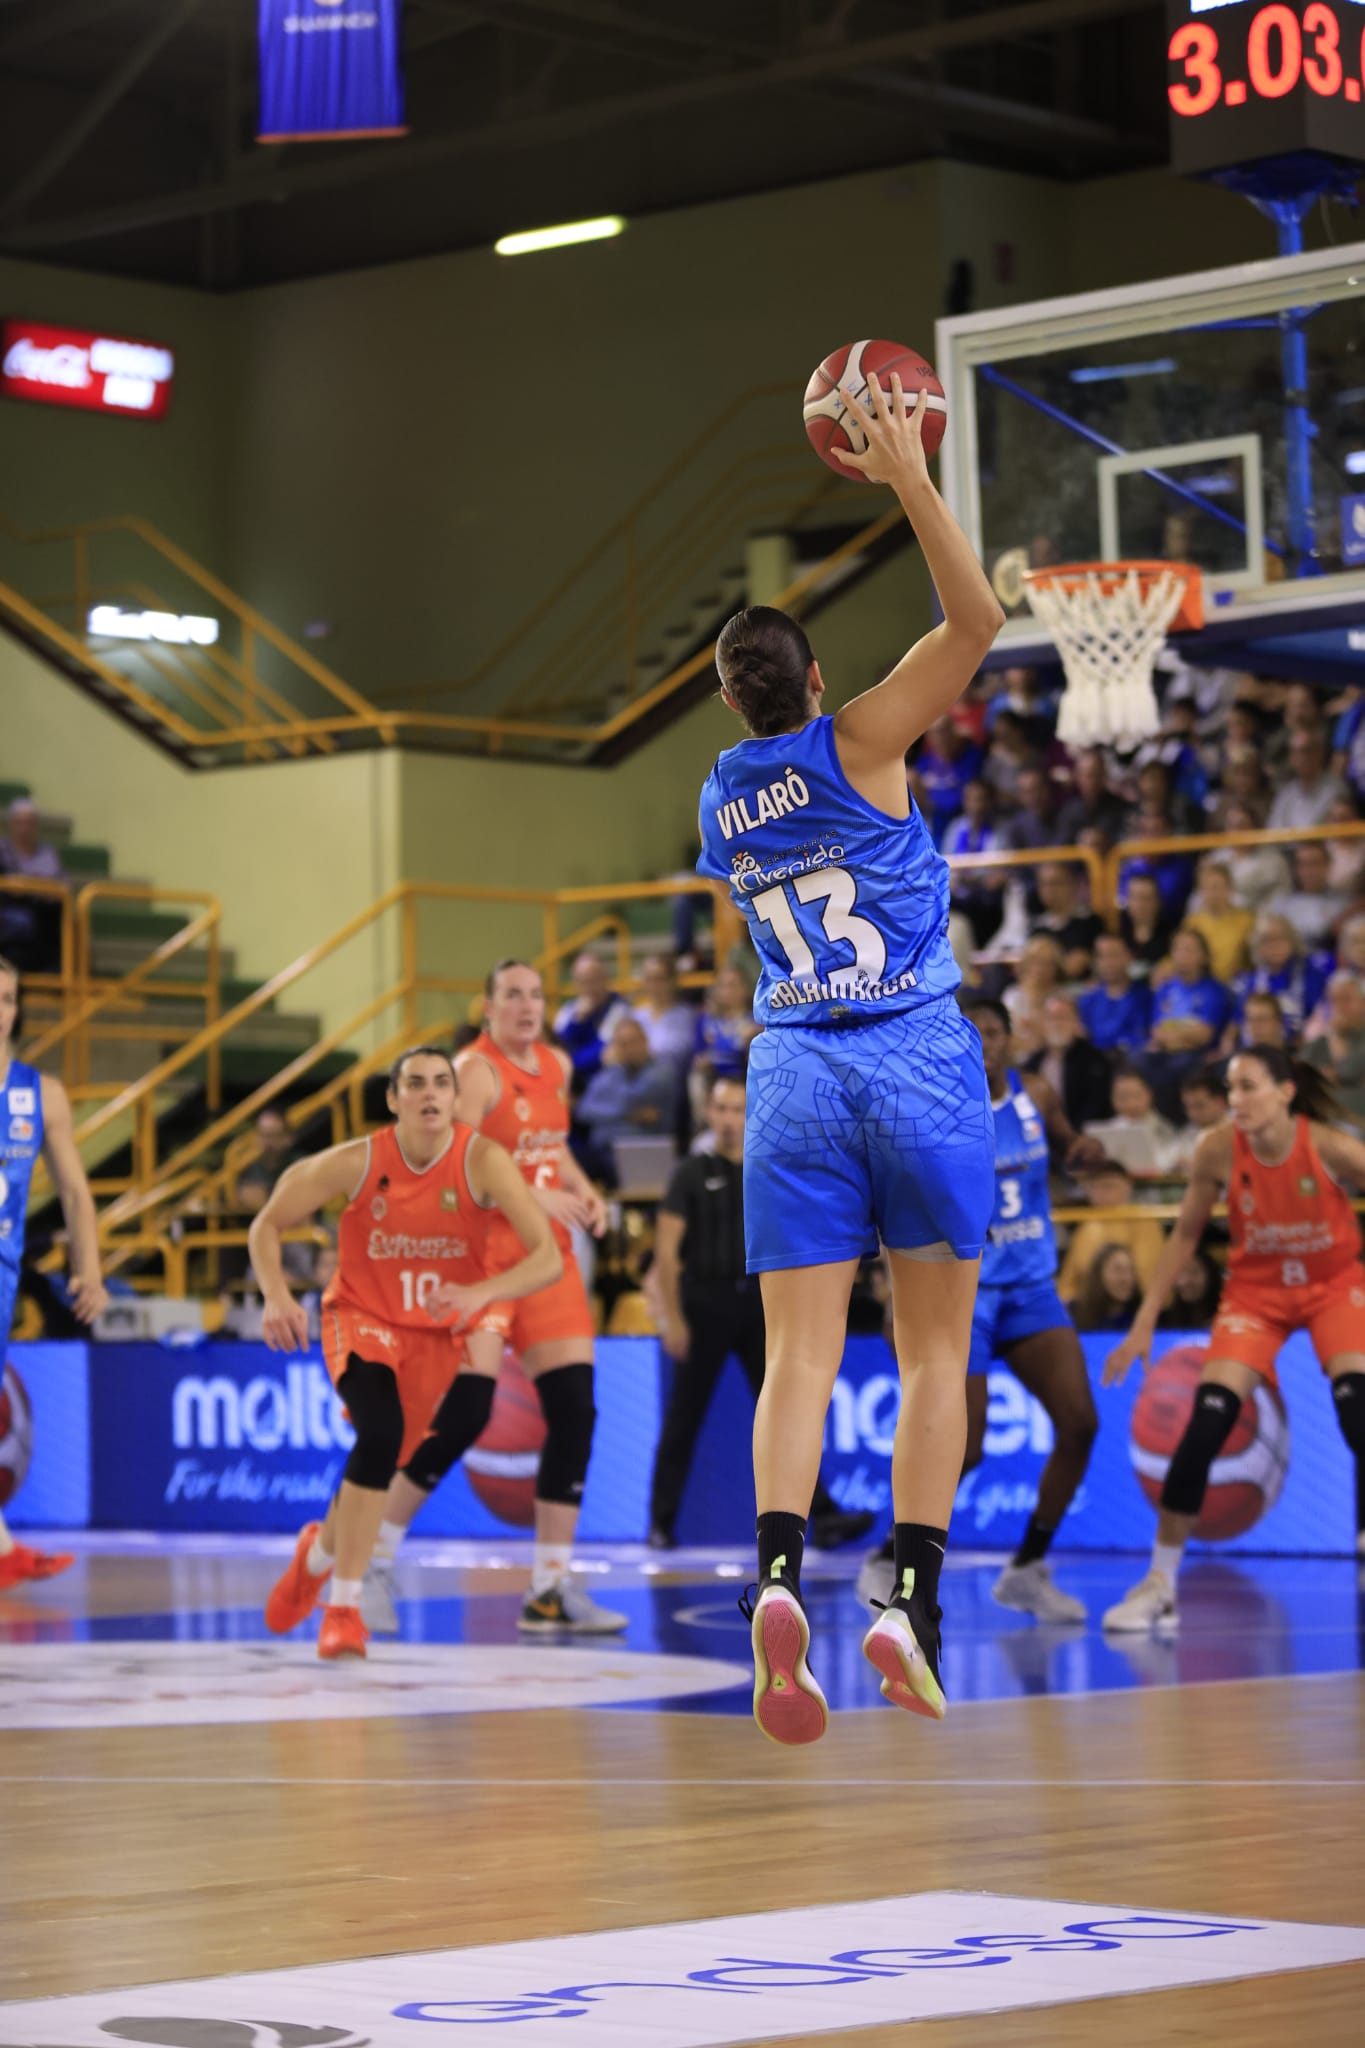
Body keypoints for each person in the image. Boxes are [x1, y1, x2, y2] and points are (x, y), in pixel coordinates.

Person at [697, 374, 1002, 1742]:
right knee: (935, 1351)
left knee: (798, 1361)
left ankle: (774, 1573)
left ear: (728, 696)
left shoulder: (715, 794)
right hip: (915, 1052)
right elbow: (977, 620)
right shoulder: (865, 736)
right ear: (819, 683)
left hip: (793, 1070)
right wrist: (904, 479)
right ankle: (908, 1598)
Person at [256, 1045, 562, 1658]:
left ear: (454, 1097)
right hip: (361, 1317)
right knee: (379, 1431)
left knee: (384, 1454)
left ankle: (316, 1553)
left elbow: (547, 1258)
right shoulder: (358, 1160)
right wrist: (275, 1297)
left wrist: (481, 1293)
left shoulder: (483, 1159)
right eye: (415, 1084)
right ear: (393, 1099)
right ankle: (342, 1607)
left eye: (441, 1084)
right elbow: (266, 1222)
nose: (429, 1095)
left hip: (434, 1336)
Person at [361, 961, 626, 1636]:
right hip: (483, 1257)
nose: (527, 1006)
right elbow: (448, 1151)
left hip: (547, 1261)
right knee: (464, 1414)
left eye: (536, 995)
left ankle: (549, 1588)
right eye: (513, 995)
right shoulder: (472, 1071)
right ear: (487, 1006)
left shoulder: (556, 1066)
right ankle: (373, 1561)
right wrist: (530, 1195)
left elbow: (549, 1147)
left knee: (574, 1409)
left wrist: (580, 1184)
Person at [1102, 1047, 1365, 1628]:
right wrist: (1145, 1320)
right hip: (1256, 1296)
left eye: (1248, 1087)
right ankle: (1160, 1582)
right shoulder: (1218, 1148)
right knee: (1205, 1425)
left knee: (1357, 1407)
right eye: (1230, 1088)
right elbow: (1185, 1236)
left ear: (1286, 1091)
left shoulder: (1328, 1146)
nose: (1235, 1100)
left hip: (1332, 1286)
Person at [925, 999, 1102, 1621]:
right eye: (970, 1033)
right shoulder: (935, 1106)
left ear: (1010, 1038)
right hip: (961, 1293)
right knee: (964, 1447)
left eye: (993, 1032)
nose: (984, 1043)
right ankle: (896, 1557)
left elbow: (1069, 1143)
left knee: (1080, 1423)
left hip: (1030, 1287)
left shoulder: (1039, 1097)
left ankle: (1027, 1567)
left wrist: (1085, 1150)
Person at [647, 1074, 872, 1552]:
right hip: (704, 1305)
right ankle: (660, 1522)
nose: (729, 1119)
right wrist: (673, 1318)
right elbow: (667, 1254)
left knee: (788, 1408)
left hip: (758, 1305)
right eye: (722, 1109)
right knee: (684, 1417)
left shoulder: (766, 1167)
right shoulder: (690, 1172)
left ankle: (824, 1516)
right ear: (709, 1113)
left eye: (737, 1109)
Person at [0, 953, 109, 1590]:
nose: (2, 1009)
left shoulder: (40, 1094)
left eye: (10, 998)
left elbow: (74, 1193)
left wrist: (88, 1271)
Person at [574, 1014, 677, 1184]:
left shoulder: (662, 1072)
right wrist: (627, 1116)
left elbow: (630, 1100)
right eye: (621, 1044)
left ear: (645, 1041)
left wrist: (606, 1116)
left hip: (645, 1150)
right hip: (603, 1150)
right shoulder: (611, 1073)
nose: (627, 1049)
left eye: (632, 1042)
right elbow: (584, 1110)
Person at [1056, 1158, 1167, 1302]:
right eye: (1095, 1187)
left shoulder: (1143, 1220)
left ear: (1127, 1187)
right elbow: (1069, 1281)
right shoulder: (1086, 1225)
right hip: (1089, 1306)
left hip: (1133, 1304)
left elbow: (1147, 1272)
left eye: (1109, 1186)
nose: (1102, 1193)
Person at [1023, 994, 1112, 1130]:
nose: (1056, 1024)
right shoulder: (1032, 1064)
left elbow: (1097, 1107)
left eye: (1062, 1017)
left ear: (1076, 1022)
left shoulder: (1095, 1060)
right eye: (1051, 1018)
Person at [553, 952, 631, 1095]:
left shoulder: (620, 1009)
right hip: (572, 1085)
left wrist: (569, 1061)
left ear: (606, 979)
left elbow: (601, 1052)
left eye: (596, 980)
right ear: (575, 984)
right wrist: (578, 1021)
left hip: (607, 1086)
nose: (590, 987)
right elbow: (556, 1054)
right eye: (584, 981)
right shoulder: (568, 1011)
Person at [1083, 1066, 1180, 1180]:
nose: (1130, 1104)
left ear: (1149, 1094)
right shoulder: (1105, 1131)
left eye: (1136, 1096)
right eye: (1122, 1097)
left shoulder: (1166, 1129)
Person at [1303, 972, 1365, 1128]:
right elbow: (1300, 1076)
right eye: (1334, 1001)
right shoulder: (1318, 1044)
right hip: (1323, 1123)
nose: (1339, 1007)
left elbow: (1348, 1070)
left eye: (1346, 999)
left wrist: (1337, 1036)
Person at [1077, 933, 1151, 1054]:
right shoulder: (1087, 1001)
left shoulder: (1144, 997)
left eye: (1113, 955)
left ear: (1129, 956)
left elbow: (1140, 1038)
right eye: (1101, 956)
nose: (1107, 962)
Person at [1182, 859, 1254, 983]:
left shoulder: (1247, 920)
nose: (1212, 893)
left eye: (1216, 887)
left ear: (1229, 889)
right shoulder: (1192, 922)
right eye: (1206, 888)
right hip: (1200, 986)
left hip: (1235, 985)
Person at [1030, 863, 1103, 981]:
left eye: (1055, 883)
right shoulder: (1036, 927)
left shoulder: (1089, 922)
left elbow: (1074, 968)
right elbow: (1030, 970)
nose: (1049, 890)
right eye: (1044, 884)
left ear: (1073, 885)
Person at [1267, 726, 1346, 832]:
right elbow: (1274, 831)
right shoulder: (1286, 793)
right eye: (1295, 752)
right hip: (1289, 848)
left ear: (1320, 752)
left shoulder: (1337, 790)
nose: (1301, 757)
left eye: (1306, 750)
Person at [1073, 1244, 1142, 1333]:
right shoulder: (1072, 1314)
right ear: (1098, 1275)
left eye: (1131, 1270)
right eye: (1118, 1270)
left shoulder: (1142, 1318)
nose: (1126, 1279)